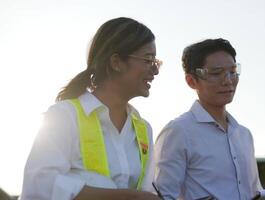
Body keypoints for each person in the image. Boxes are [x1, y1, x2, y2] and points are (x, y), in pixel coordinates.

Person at [20, 17, 162, 200]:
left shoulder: (143, 130)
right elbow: (40, 187)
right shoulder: (64, 116)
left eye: (156, 61)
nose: (155, 70)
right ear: (116, 62)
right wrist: (126, 197)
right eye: (148, 59)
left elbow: (145, 193)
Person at [154, 38, 262, 200]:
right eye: (216, 73)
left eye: (233, 71)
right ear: (191, 81)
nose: (228, 80)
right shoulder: (178, 131)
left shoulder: (244, 135)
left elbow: (256, 193)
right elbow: (163, 195)